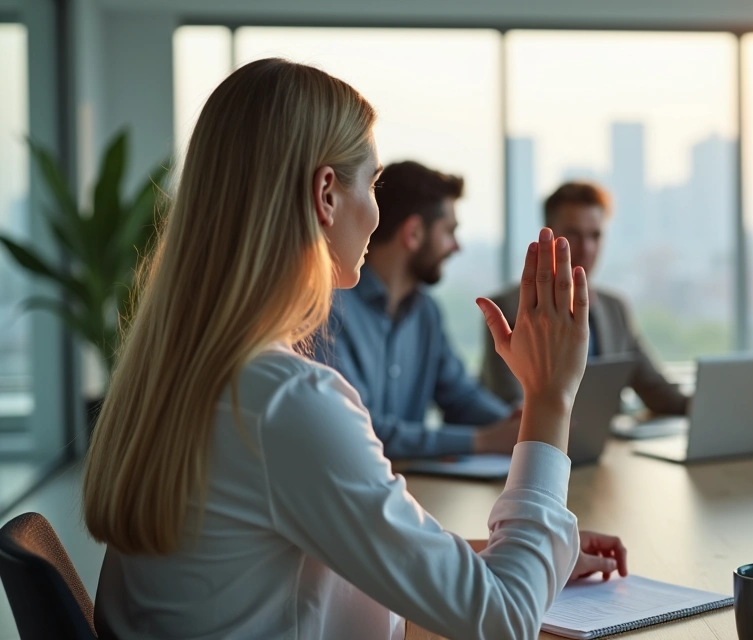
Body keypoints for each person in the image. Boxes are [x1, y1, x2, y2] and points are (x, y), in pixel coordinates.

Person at [81, 59, 625, 639]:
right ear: (326, 195)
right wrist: (549, 397)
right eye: (372, 184)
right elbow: (504, 621)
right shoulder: (285, 403)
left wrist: (524, 554)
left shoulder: (180, 374)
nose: (375, 212)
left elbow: (311, 553)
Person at [316, 160, 521, 459]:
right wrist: (484, 441)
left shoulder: (426, 313)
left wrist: (519, 423)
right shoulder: (330, 310)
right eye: (449, 231)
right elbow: (359, 430)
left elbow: (460, 396)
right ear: (413, 233)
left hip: (409, 484)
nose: (456, 247)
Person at [481, 181, 689, 416]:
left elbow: (657, 390)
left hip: (603, 438)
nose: (586, 248)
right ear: (548, 235)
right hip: (538, 436)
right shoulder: (507, 309)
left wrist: (706, 403)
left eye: (595, 236)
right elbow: (509, 406)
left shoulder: (614, 309)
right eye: (573, 235)